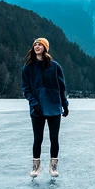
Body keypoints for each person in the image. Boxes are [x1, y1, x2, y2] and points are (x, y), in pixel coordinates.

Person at [21, 37, 69, 179]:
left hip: (54, 107)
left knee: (54, 138)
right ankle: (36, 166)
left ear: (45, 48)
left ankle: (53, 165)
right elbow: (26, 89)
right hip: (37, 109)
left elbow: (62, 87)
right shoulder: (27, 67)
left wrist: (65, 105)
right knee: (38, 138)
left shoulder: (55, 67)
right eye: (35, 44)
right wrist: (34, 104)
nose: (36, 46)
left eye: (40, 44)